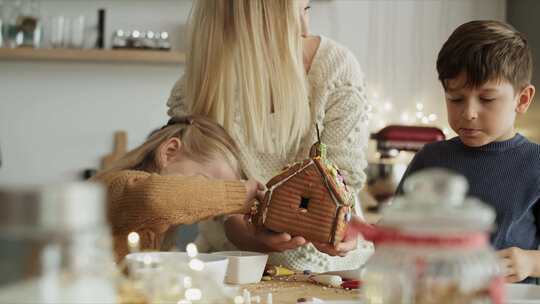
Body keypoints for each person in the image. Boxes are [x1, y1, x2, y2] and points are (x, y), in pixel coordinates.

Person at [167, 0, 373, 272]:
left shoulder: (336, 72)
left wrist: (342, 223)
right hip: (227, 269)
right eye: (288, 17)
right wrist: (241, 230)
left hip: (329, 273)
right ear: (242, 25)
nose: (304, 28)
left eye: (306, 9)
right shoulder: (196, 90)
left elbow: (343, 178)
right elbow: (208, 194)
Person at [396, 20, 540, 284]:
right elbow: (394, 231)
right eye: (455, 98)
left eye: (486, 99)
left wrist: (531, 262)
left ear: (522, 99)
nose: (468, 113)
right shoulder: (430, 158)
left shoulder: (536, 164)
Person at [92, 115, 264, 261]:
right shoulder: (115, 186)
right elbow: (154, 197)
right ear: (169, 152)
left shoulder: (158, 225)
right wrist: (239, 194)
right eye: (206, 183)